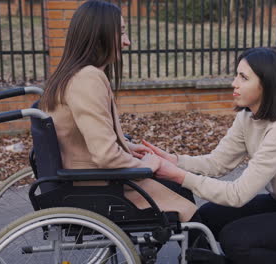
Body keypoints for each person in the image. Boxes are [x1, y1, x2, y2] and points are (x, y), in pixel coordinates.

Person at [143, 47, 276, 264]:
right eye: (237, 75)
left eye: (243, 77)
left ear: (266, 84)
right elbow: (218, 163)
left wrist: (178, 176)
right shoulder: (248, 117)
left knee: (236, 241)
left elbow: (238, 194)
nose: (234, 83)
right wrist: (173, 160)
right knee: (208, 218)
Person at [39, 0, 197, 223]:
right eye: (121, 32)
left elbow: (82, 136)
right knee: (191, 209)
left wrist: (129, 147)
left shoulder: (71, 74)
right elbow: (105, 155)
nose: (127, 42)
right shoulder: (88, 79)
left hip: (87, 177)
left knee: (179, 189)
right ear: (99, 34)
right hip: (100, 186)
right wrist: (146, 166)